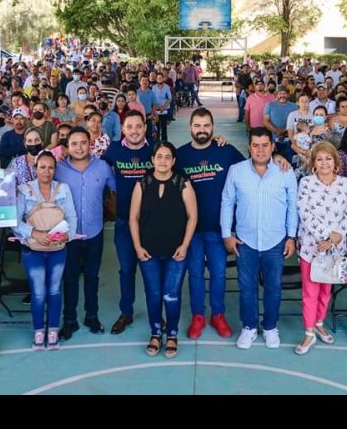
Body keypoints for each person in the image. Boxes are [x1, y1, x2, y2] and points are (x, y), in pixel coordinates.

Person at [221, 128, 298, 350]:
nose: (260, 150)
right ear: (249, 147)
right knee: (247, 287)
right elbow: (227, 203)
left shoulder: (285, 172)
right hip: (245, 241)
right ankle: (249, 327)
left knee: (273, 287)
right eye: (256, 145)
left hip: (276, 241)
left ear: (273, 147)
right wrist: (227, 234)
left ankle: (270, 327)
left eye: (265, 145)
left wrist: (291, 236)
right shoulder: (236, 171)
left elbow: (292, 206)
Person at [177, 108, 245, 340]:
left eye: (206, 125)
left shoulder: (226, 151)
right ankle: (198, 316)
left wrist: (277, 158)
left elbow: (250, 168)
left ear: (213, 127)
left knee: (219, 274)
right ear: (190, 127)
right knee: (195, 274)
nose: (202, 130)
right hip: (191, 230)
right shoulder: (181, 156)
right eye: (197, 125)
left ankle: (218, 314)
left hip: (219, 229)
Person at [130, 141, 197, 358]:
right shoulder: (142, 184)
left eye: (168, 157)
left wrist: (184, 245)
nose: (163, 161)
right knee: (153, 294)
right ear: (152, 160)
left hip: (176, 252)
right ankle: (156, 333)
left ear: (174, 161)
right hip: (148, 251)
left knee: (171, 295)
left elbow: (192, 217)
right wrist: (137, 246)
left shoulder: (183, 183)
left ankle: (172, 335)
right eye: (159, 156)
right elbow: (133, 218)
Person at [55, 127, 116, 339]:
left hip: (94, 232)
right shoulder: (58, 169)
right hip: (68, 235)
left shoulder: (102, 167)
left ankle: (92, 316)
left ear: (90, 144)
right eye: (74, 143)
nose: (79, 148)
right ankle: (69, 320)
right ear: (67, 146)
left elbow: (117, 189)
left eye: (83, 143)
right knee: (70, 278)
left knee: (92, 276)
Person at [295, 142, 347, 355]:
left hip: (335, 248)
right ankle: (309, 333)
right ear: (313, 163)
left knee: (326, 291)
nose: (324, 163)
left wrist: (335, 238)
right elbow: (304, 212)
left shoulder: (345, 184)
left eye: (328, 158)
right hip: (312, 247)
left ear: (335, 162)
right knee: (310, 292)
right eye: (319, 159)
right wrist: (326, 237)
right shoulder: (306, 183)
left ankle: (319, 323)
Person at [15, 151, 78, 350]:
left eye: (51, 167)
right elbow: (14, 221)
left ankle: (53, 330)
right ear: (35, 169)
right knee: (38, 292)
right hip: (32, 249)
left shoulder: (63, 189)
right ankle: (38, 331)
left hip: (57, 248)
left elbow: (72, 217)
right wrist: (34, 233)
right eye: (42, 167)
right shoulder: (24, 190)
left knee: (54, 290)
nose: (47, 171)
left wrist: (67, 235)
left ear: (55, 169)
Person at [103, 111, 154, 335]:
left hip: (151, 223)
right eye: (129, 127)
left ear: (145, 127)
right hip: (124, 222)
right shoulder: (114, 151)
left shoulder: (154, 150)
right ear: (123, 129)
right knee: (126, 270)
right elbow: (97, 168)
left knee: (152, 271)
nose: (134, 131)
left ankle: (156, 314)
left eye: (138, 126)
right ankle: (126, 312)